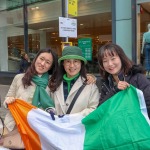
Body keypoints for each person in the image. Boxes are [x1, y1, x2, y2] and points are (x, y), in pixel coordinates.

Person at [97, 43, 150, 118]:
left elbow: (148, 103)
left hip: (137, 126)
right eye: (105, 61)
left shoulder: (138, 78)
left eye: (113, 59)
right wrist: (115, 90)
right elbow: (100, 109)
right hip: (115, 127)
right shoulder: (106, 83)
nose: (110, 64)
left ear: (121, 58)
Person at [49, 46, 100, 116]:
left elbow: (93, 108)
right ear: (63, 64)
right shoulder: (53, 83)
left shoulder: (90, 85)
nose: (72, 65)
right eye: (68, 61)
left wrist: (73, 118)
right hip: (56, 126)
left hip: (80, 126)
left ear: (81, 64)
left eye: (75, 61)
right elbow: (48, 105)